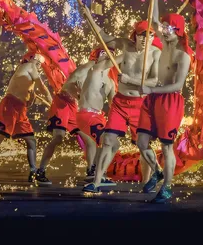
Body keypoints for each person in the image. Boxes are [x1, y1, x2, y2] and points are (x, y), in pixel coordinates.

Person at [84, 21, 162, 193]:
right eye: (142, 34)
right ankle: (96, 182)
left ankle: (154, 174)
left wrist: (130, 81)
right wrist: (88, 17)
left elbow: (154, 81)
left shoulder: (156, 53)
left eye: (149, 35)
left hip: (141, 105)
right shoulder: (126, 46)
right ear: (135, 35)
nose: (145, 38)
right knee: (108, 141)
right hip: (120, 102)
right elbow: (104, 37)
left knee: (143, 145)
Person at [137, 13, 192, 203]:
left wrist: (150, 88)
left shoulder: (182, 56)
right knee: (141, 142)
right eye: (164, 28)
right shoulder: (163, 41)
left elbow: (178, 86)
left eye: (169, 29)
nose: (164, 31)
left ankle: (167, 187)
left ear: (178, 31)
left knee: (167, 148)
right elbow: (154, 21)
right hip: (153, 98)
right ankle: (158, 172)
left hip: (170, 101)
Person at [0, 52, 53, 185]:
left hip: (20, 108)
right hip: (10, 105)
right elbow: (43, 87)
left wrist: (30, 98)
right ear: (32, 59)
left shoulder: (29, 72)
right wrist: (53, 105)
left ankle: (33, 171)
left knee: (31, 140)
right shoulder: (29, 66)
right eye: (38, 61)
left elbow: (30, 94)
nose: (40, 65)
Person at [35, 54, 96, 186]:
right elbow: (67, 87)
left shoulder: (98, 73)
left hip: (73, 106)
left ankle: (91, 171)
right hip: (62, 103)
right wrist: (79, 95)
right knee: (58, 137)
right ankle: (40, 171)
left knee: (90, 139)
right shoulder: (83, 70)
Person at [75, 48, 116, 186]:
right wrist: (78, 95)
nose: (107, 56)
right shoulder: (93, 71)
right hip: (87, 114)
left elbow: (113, 104)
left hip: (98, 116)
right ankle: (97, 176)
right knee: (108, 142)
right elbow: (68, 85)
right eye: (103, 53)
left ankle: (98, 173)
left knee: (113, 144)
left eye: (109, 53)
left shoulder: (110, 82)